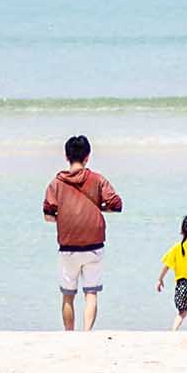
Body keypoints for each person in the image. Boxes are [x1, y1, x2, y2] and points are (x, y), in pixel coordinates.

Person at [42, 134, 121, 331]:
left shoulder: (56, 183)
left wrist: (66, 216)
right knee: (91, 294)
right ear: (88, 156)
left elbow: (47, 215)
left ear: (66, 156)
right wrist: (97, 208)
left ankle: (70, 334)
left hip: (68, 247)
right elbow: (116, 204)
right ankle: (87, 334)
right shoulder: (97, 180)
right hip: (94, 246)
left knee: (68, 295)